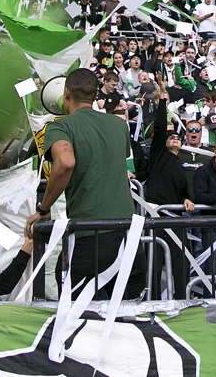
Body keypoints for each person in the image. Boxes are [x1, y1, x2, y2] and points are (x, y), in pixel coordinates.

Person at [24, 68, 145, 298]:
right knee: (129, 312)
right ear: (96, 94)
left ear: (66, 93)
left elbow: (65, 163)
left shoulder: (61, 126)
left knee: (79, 313)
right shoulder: (119, 125)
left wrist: (43, 209)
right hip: (128, 233)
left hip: (90, 234)